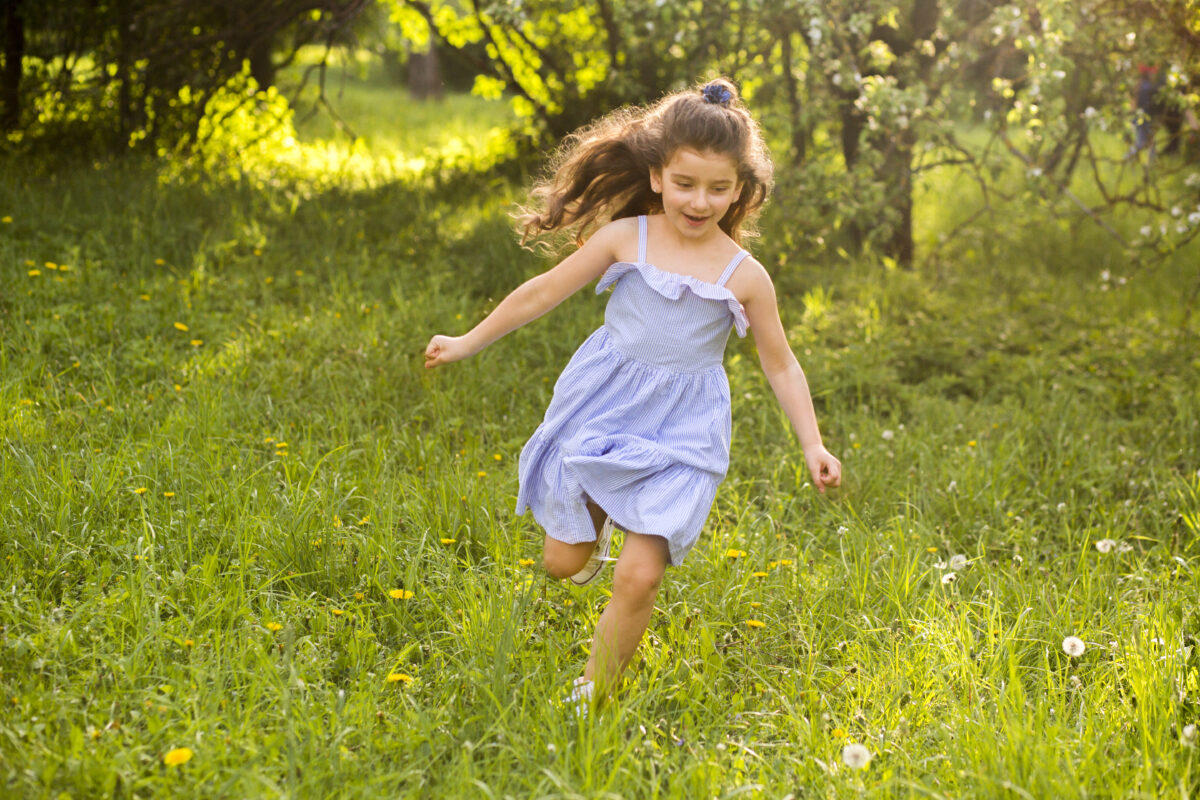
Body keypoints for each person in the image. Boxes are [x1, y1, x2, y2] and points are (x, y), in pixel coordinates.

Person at [424, 78, 841, 713]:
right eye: (685, 184)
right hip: (606, 407)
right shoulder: (629, 239)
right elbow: (542, 292)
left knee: (638, 575)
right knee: (562, 564)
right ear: (655, 176)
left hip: (682, 432)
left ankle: (590, 695)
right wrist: (467, 341)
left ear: (742, 190)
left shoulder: (745, 277)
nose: (700, 201)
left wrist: (811, 443)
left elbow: (779, 364)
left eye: (719, 188)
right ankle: (603, 503)